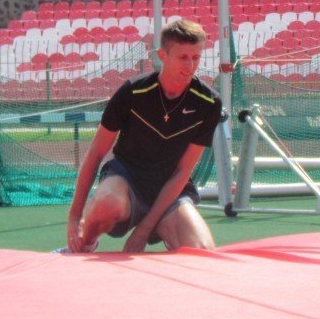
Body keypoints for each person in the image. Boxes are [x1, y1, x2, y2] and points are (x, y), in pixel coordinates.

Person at [66, 18, 223, 254]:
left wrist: (143, 230)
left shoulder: (209, 103)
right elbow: (96, 153)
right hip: (125, 179)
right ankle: (85, 242)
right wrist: (74, 215)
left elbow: (183, 171)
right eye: (183, 57)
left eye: (196, 57)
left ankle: (163, 228)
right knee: (107, 203)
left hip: (169, 190)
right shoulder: (132, 91)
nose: (190, 65)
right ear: (162, 55)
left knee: (203, 251)